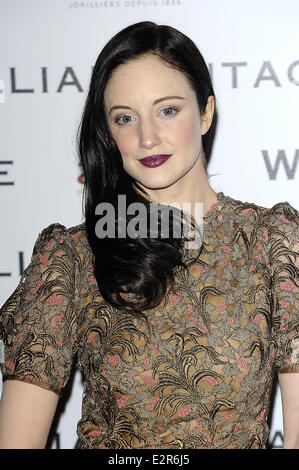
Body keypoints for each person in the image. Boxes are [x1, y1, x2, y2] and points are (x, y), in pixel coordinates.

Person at [0, 21, 298, 450]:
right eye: (125, 118)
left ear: (206, 112)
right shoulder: (72, 257)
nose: (147, 137)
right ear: (108, 131)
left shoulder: (275, 244)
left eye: (168, 110)